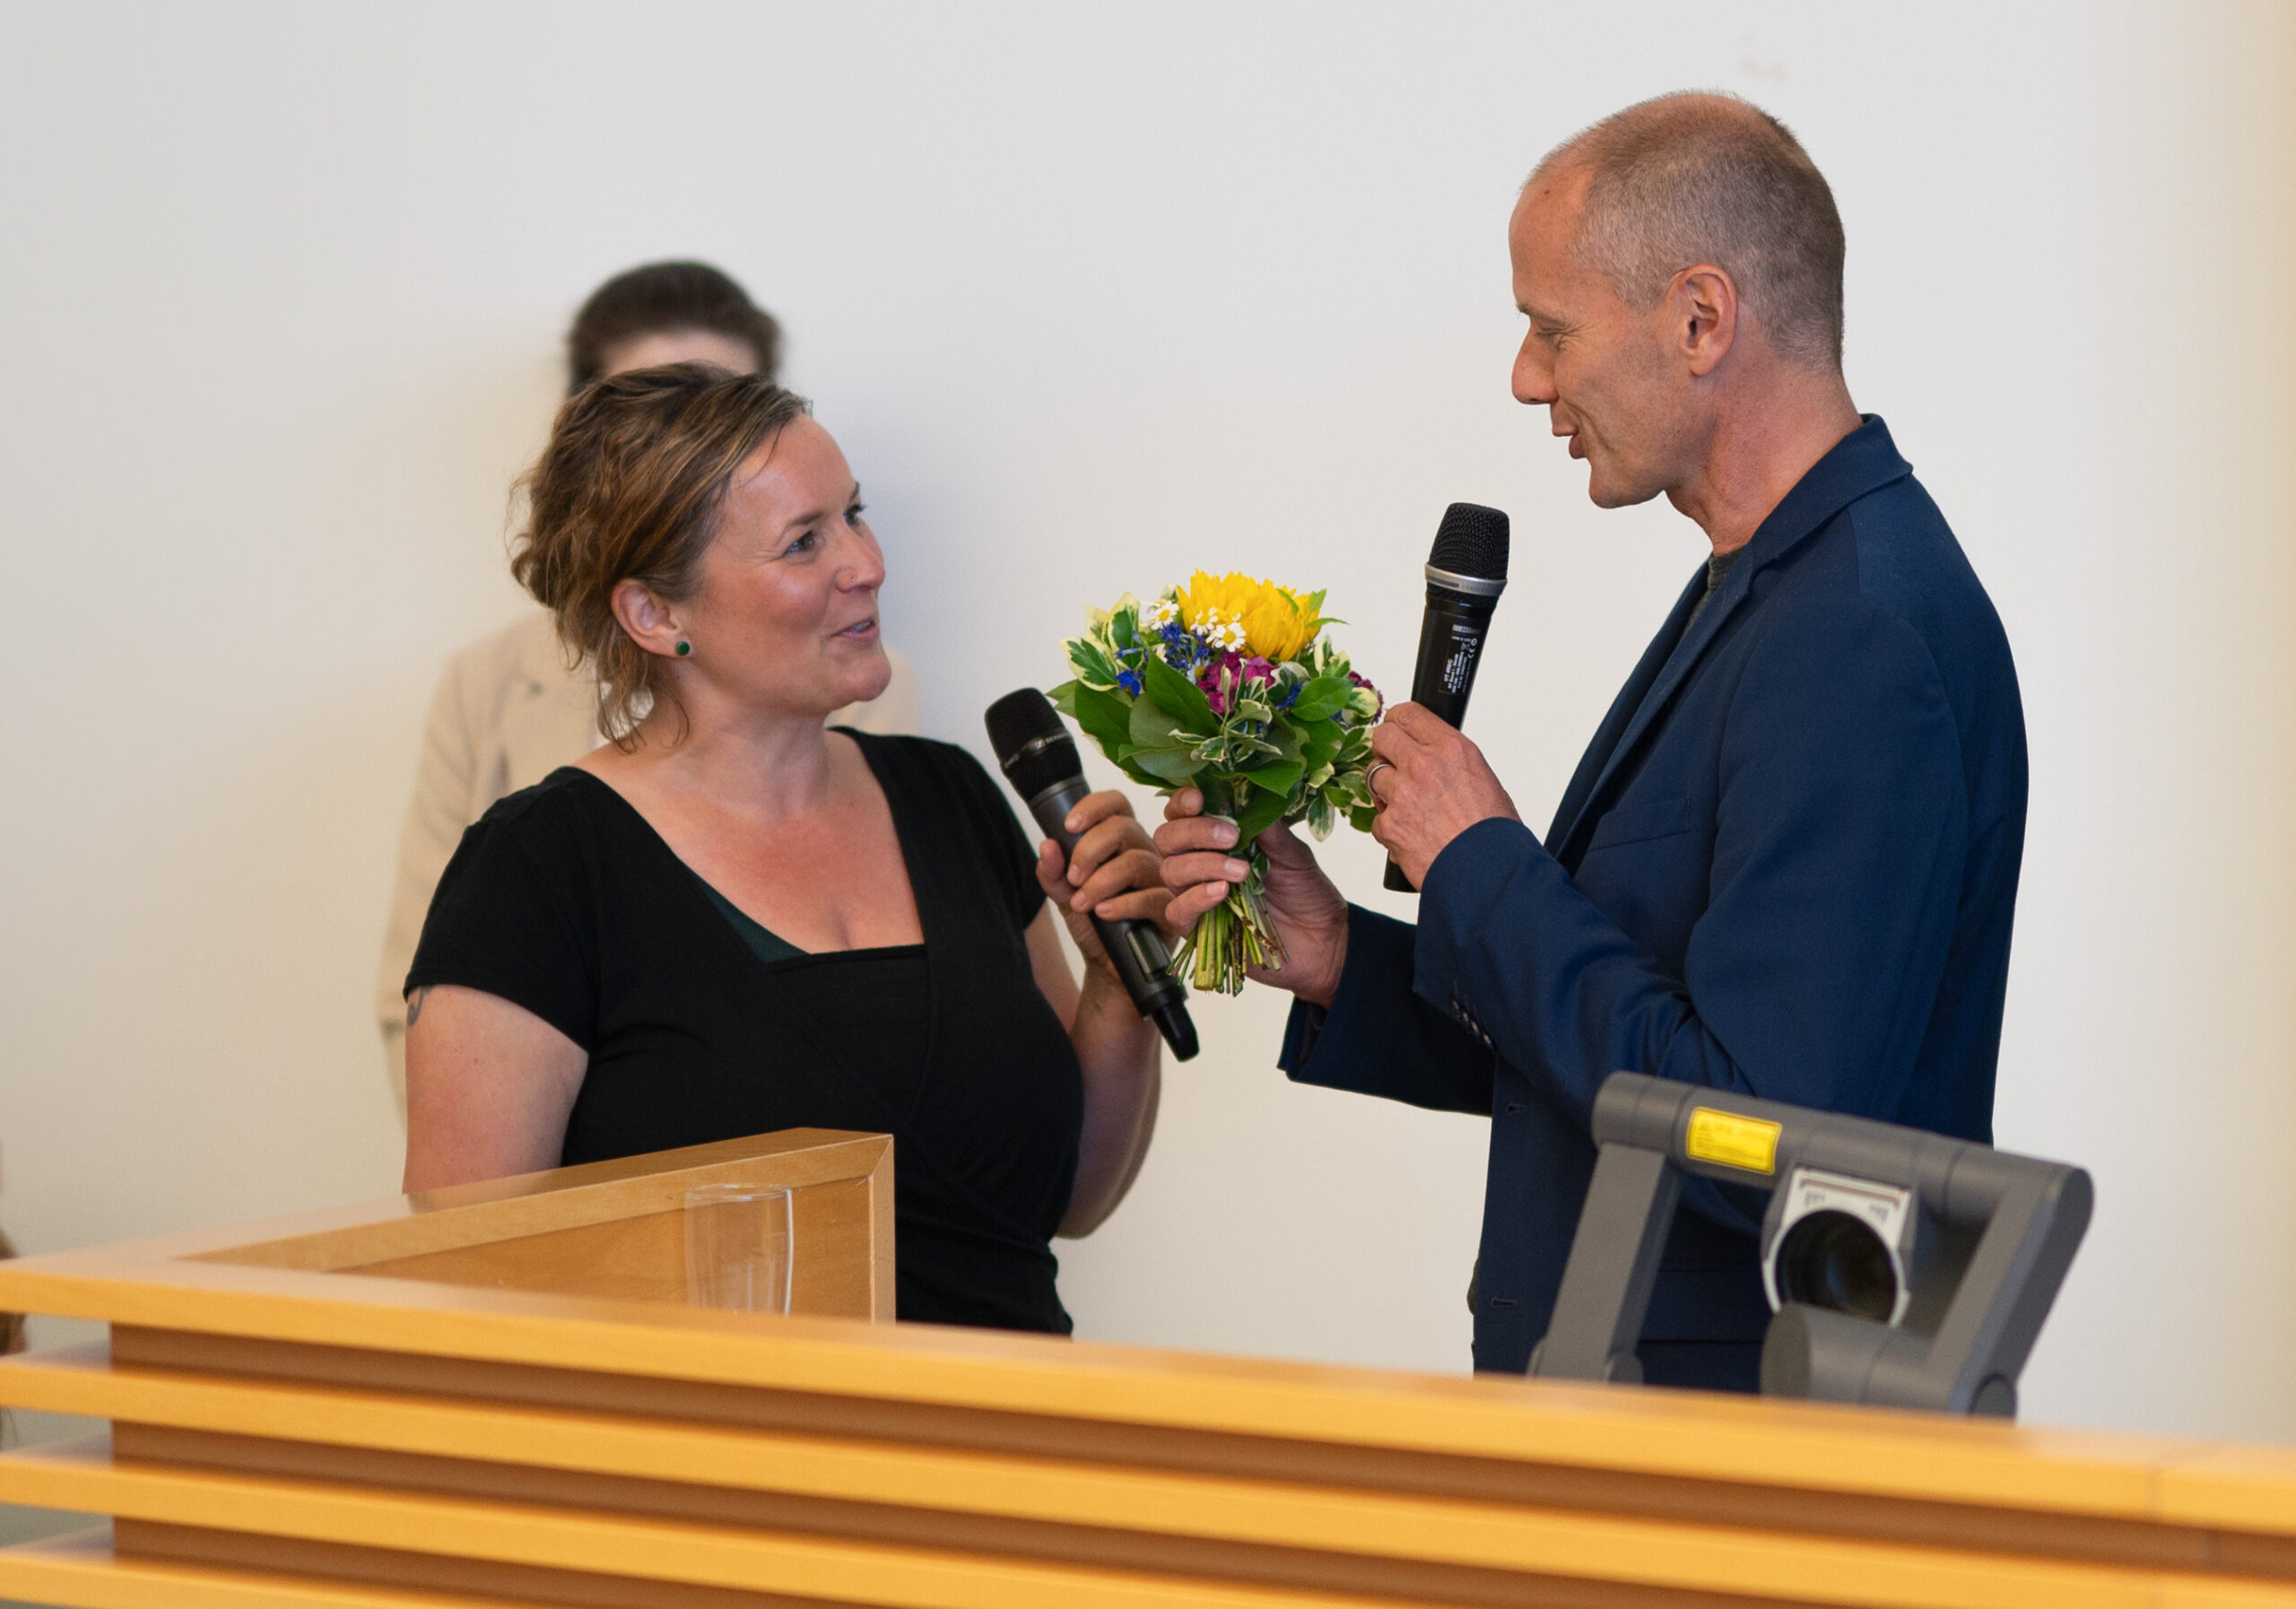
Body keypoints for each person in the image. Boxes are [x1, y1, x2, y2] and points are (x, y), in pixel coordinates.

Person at [1158, 92, 2027, 1392]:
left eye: (1549, 329)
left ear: (1699, 318)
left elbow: (1758, 1134)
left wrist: (1485, 861)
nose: (1527, 378)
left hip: (1740, 1445)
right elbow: (1632, 1048)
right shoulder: (1770, 585)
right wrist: (1346, 957)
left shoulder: (1858, 634)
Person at [403, 366, 1171, 1335]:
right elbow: (465, 1291)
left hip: (1016, 1453)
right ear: (655, 615)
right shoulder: (538, 871)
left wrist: (1115, 989)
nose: (867, 563)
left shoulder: (953, 799)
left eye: (855, 515)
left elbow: (1066, 1201)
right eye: (805, 541)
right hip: (723, 1469)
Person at [376, 262, 918, 1108]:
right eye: (658, 414)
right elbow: (420, 999)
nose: (700, 440)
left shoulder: (869, 693)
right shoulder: (489, 700)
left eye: (729, 405)